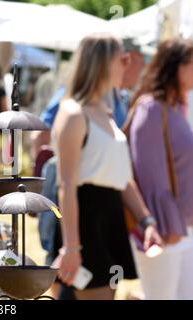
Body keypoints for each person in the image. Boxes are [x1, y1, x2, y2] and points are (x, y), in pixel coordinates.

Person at [53, 34, 162, 300]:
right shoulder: (74, 113)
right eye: (123, 58)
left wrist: (146, 220)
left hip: (109, 218)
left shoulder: (106, 112)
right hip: (84, 224)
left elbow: (122, 179)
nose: (128, 64)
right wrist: (71, 247)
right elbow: (66, 185)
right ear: (102, 63)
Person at [125, 38, 193, 300]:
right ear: (176, 67)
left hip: (183, 227)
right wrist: (164, 226)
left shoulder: (174, 107)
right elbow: (150, 179)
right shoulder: (151, 109)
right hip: (165, 231)